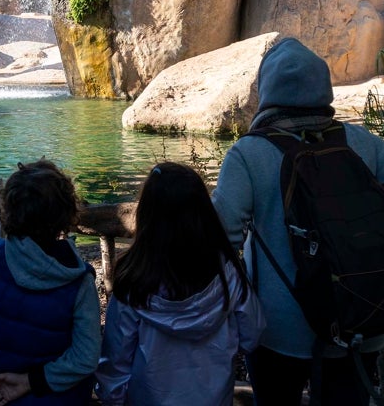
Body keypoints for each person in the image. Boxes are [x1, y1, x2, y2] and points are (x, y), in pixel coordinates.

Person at [212, 37, 384, 406]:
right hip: (360, 316)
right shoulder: (356, 140)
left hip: (281, 326)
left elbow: (222, 234)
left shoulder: (249, 153)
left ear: (267, 88)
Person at [96, 162, 264, 406]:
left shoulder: (134, 280)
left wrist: (115, 399)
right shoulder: (227, 272)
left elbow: (115, 361)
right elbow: (252, 333)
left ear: (147, 215)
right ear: (204, 212)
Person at [0, 159, 100, 406]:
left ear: (11, 212)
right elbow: (86, 357)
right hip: (58, 397)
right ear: (66, 215)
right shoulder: (79, 282)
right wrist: (31, 382)